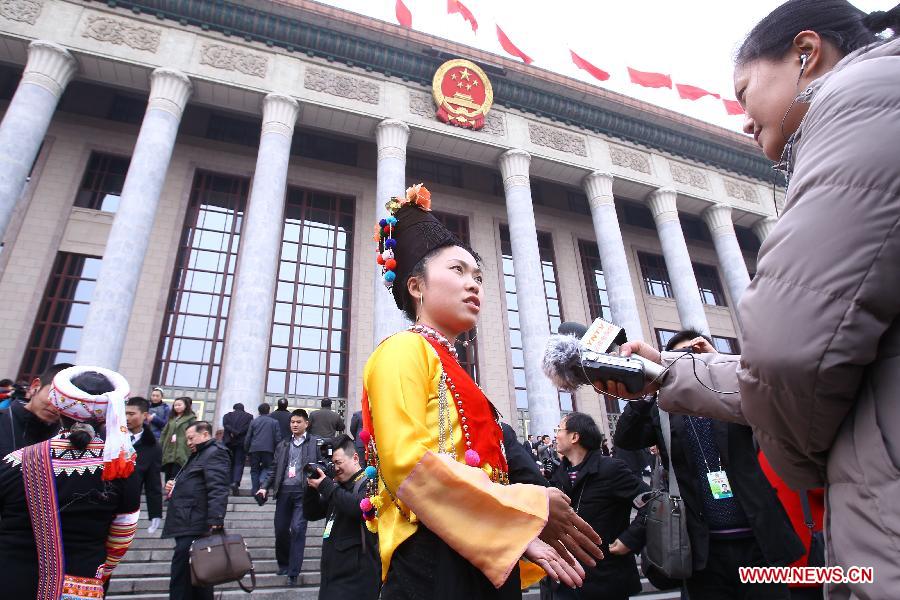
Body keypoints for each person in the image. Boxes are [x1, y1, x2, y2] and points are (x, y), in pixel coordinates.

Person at [598, 4, 900, 597]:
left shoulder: (864, 106)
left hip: (797, 539)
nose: (743, 121)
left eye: (743, 95)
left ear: (806, 54)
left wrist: (804, 457)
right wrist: (663, 379)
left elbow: (788, 356)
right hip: (723, 549)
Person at [361, 184, 601, 599]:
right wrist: (522, 508)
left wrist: (515, 530)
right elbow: (407, 463)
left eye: (479, 276)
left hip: (480, 555)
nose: (474, 285)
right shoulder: (402, 350)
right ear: (416, 287)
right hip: (432, 560)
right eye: (457, 270)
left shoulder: (454, 369)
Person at [614, 330, 803, 599]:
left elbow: (773, 406)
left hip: (758, 540)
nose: (688, 361)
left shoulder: (733, 397)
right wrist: (647, 389)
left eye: (694, 354)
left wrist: (719, 363)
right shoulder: (664, 407)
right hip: (701, 548)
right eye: (678, 357)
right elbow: (626, 438)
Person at [0, 366, 140, 598]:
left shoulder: (15, 462)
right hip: (82, 585)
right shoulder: (121, 466)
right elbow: (123, 532)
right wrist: (101, 574)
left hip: (13, 580)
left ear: (59, 404)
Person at [550, 412, 649, 600]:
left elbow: (653, 501)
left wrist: (630, 539)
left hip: (605, 580)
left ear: (574, 437)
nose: (555, 435)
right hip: (565, 582)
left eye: (559, 430)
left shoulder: (611, 469)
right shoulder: (557, 475)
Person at [304, 434, 380, 599]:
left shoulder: (368, 483)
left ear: (354, 458)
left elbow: (358, 508)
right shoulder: (337, 488)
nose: (335, 468)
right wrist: (311, 487)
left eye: (338, 463)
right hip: (331, 578)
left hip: (356, 582)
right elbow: (311, 513)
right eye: (332, 464)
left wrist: (327, 486)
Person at [162, 420, 230, 600]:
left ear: (205, 434)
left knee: (185, 576)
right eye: (187, 439)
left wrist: (215, 520)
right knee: (197, 576)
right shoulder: (199, 454)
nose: (189, 442)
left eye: (191, 438)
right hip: (187, 519)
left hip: (196, 523)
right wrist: (174, 486)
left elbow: (218, 488)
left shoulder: (215, 453)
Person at [260, 409, 321, 584]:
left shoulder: (314, 443)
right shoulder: (283, 444)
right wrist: (264, 487)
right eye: (292, 422)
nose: (294, 425)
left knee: (298, 529)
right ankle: (284, 564)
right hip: (284, 491)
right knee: (280, 529)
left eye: (298, 422)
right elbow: (274, 468)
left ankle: (293, 572)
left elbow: (322, 465)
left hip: (304, 492)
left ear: (306, 424)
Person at [0, 362, 70, 457]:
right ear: (35, 386)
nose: (57, 407)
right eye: (55, 396)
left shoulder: (65, 439)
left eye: (68, 403)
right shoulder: (4, 420)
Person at [125, 396, 163, 534]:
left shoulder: (153, 446)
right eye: (124, 413)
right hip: (102, 502)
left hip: (128, 507)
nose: (126, 418)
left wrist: (155, 513)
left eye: (131, 414)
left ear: (145, 415)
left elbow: (153, 484)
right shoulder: (111, 436)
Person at [244, 402, 282, 495]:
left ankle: (254, 490)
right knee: (269, 468)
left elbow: (248, 437)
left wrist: (246, 450)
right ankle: (262, 481)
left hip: (254, 449)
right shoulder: (274, 422)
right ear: (269, 411)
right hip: (269, 450)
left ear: (259, 411)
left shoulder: (254, 421)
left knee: (254, 470)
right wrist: (278, 450)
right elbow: (278, 438)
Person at [160, 396, 196, 481]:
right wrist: (160, 445)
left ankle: (175, 493)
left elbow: (194, 433)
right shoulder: (172, 418)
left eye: (179, 405)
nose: (177, 407)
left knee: (177, 473)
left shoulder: (191, 418)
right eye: (175, 405)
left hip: (182, 449)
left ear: (186, 406)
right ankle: (168, 493)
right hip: (169, 449)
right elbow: (164, 433)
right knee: (168, 473)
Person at [222, 402, 253, 494]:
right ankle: (235, 482)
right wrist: (238, 432)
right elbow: (248, 428)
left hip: (229, 442)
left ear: (234, 408)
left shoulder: (227, 416)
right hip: (241, 443)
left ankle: (228, 483)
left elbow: (226, 425)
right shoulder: (249, 416)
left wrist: (233, 432)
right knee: (239, 463)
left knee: (229, 463)